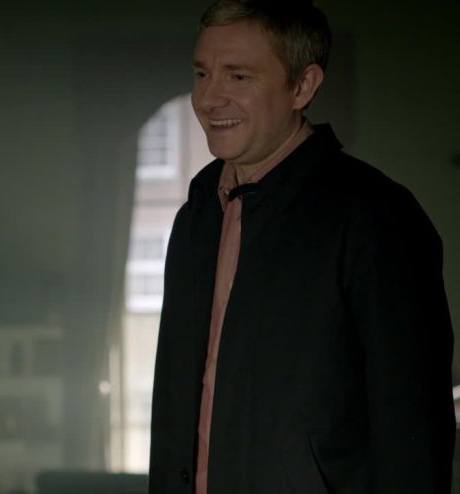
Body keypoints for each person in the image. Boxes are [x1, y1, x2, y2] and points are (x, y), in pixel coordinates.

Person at [148, 0, 455, 493]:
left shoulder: (376, 217)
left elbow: (413, 435)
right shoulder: (195, 219)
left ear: (303, 86)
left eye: (239, 77)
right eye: (202, 74)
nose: (208, 98)